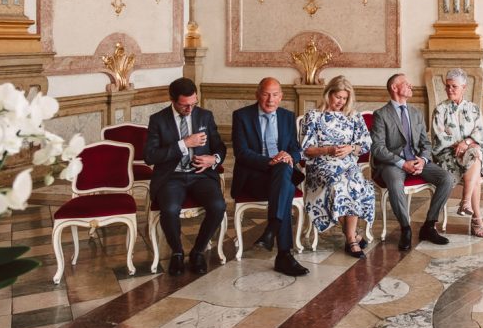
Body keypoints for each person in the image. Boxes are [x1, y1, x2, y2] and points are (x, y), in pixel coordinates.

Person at [145, 77, 227, 276]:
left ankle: (198, 251)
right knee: (170, 209)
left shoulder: (205, 116)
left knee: (218, 206)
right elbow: (150, 156)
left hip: (201, 176)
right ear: (172, 100)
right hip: (171, 177)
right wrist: (184, 144)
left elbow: (220, 147)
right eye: (184, 106)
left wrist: (213, 159)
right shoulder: (158, 120)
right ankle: (177, 252)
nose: (190, 109)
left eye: (193, 104)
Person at [231, 77, 309, 277]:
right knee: (286, 185)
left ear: (281, 97)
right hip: (254, 177)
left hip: (280, 175)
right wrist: (270, 161)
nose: (270, 99)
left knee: (284, 171)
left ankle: (272, 231)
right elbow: (241, 153)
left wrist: (289, 156)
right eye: (266, 94)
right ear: (257, 95)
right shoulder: (241, 116)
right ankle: (284, 254)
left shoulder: (287, 116)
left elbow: (296, 150)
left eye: (275, 95)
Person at [370, 73, 455, 251]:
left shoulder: (416, 113)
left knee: (447, 178)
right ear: (394, 88)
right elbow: (377, 148)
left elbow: (426, 143)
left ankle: (429, 226)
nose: (411, 87)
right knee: (394, 182)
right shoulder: (381, 114)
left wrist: (423, 160)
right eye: (406, 84)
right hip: (393, 163)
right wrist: (402, 164)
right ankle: (405, 228)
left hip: (417, 160)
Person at [300, 75, 375, 259]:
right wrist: (328, 150)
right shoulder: (313, 116)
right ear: (328, 94)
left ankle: (351, 236)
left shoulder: (354, 117)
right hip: (321, 166)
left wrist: (351, 147)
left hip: (348, 165)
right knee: (338, 184)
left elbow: (366, 144)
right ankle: (352, 238)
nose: (341, 102)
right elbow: (306, 150)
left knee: (357, 183)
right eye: (338, 97)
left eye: (345, 98)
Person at [431, 69, 483, 238]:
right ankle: (476, 219)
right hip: (448, 156)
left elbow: (482, 136)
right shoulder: (440, 110)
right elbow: (439, 137)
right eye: (447, 86)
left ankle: (466, 203)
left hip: (469, 153)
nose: (450, 89)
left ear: (464, 87)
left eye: (454, 86)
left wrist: (465, 143)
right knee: (475, 165)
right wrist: (460, 144)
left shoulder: (473, 109)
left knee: (474, 155)